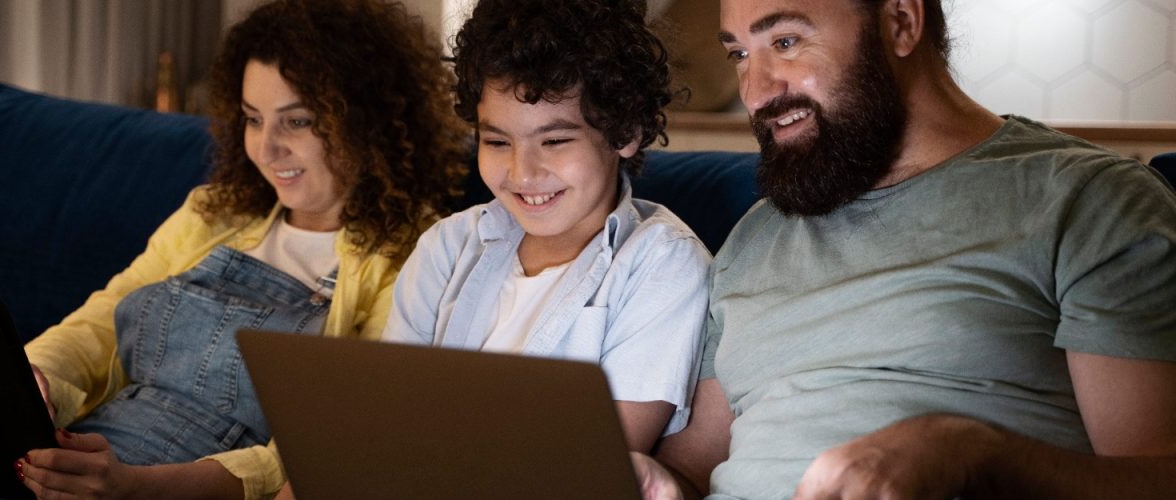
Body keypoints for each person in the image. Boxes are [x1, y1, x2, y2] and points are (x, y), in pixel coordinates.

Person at [0, 0, 467, 498]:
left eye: (297, 121)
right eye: (251, 119)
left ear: (365, 121)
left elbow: (320, 451)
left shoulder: (413, 253)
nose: (267, 149)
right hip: (80, 459)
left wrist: (134, 489)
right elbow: (101, 321)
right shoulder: (211, 211)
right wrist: (30, 382)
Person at [633, 0, 1176, 499]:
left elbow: (1157, 476)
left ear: (901, 23)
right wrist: (659, 478)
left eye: (786, 43)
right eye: (738, 54)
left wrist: (974, 453)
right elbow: (699, 461)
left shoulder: (1088, 201)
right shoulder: (755, 234)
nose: (755, 92)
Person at [381, 0, 709, 456]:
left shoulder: (662, 265)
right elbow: (385, 415)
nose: (522, 172)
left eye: (554, 141)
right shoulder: (447, 246)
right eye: (496, 141)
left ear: (625, 132)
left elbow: (595, 464)